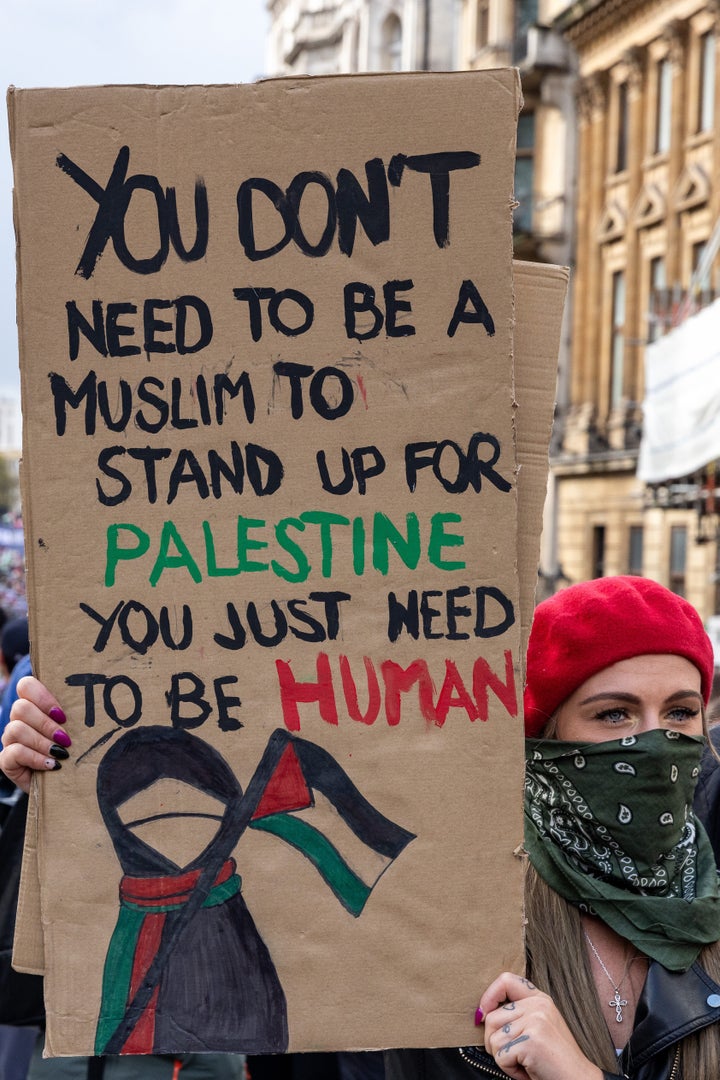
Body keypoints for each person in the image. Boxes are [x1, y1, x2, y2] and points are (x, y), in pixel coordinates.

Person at [4, 577, 720, 1079]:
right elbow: (34, 983)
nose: (654, 743)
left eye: (681, 713)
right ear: (546, 735)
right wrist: (47, 790)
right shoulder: (452, 899)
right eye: (614, 715)